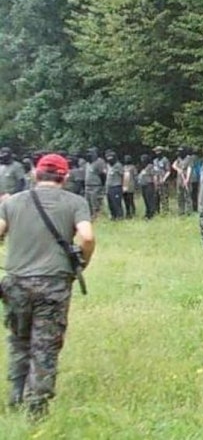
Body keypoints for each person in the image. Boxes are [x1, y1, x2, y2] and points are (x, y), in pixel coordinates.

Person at [0, 153, 95, 418]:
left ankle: (16, 396)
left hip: (16, 282)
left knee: (19, 339)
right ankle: (37, 407)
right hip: (54, 284)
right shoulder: (75, 202)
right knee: (45, 345)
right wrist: (81, 263)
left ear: (35, 174)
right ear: (65, 177)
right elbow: (87, 237)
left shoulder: (12, 202)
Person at [83, 148, 107, 220]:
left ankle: (98, 218)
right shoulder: (87, 163)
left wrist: (102, 185)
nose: (88, 155)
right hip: (87, 186)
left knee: (96, 203)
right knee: (88, 203)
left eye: (90, 153)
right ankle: (91, 217)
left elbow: (103, 175)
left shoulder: (99, 162)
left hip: (96, 186)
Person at [172, 147, 194, 216]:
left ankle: (189, 211)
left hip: (186, 179)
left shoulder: (189, 158)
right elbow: (173, 165)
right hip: (179, 180)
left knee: (187, 195)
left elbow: (189, 168)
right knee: (180, 196)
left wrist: (187, 179)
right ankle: (181, 211)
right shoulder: (179, 158)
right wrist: (178, 169)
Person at [104, 151, 125, 220]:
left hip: (116, 186)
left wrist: (124, 186)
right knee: (110, 203)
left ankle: (119, 216)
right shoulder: (108, 166)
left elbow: (123, 175)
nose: (109, 159)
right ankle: (113, 216)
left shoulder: (118, 165)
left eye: (110, 158)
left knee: (116, 203)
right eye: (107, 158)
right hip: (109, 187)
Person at [137, 154, 158, 220]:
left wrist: (155, 185)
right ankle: (147, 213)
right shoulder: (143, 167)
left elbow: (154, 176)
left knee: (150, 200)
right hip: (143, 185)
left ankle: (151, 214)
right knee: (145, 200)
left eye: (144, 159)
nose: (142, 160)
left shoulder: (150, 166)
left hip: (149, 185)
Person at [152, 147, 171, 215]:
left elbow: (168, 171)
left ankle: (165, 211)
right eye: (156, 151)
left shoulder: (165, 160)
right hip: (156, 181)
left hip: (163, 181)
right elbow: (154, 171)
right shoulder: (154, 161)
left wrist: (164, 179)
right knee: (156, 197)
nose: (157, 153)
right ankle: (156, 211)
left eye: (158, 151)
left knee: (164, 196)